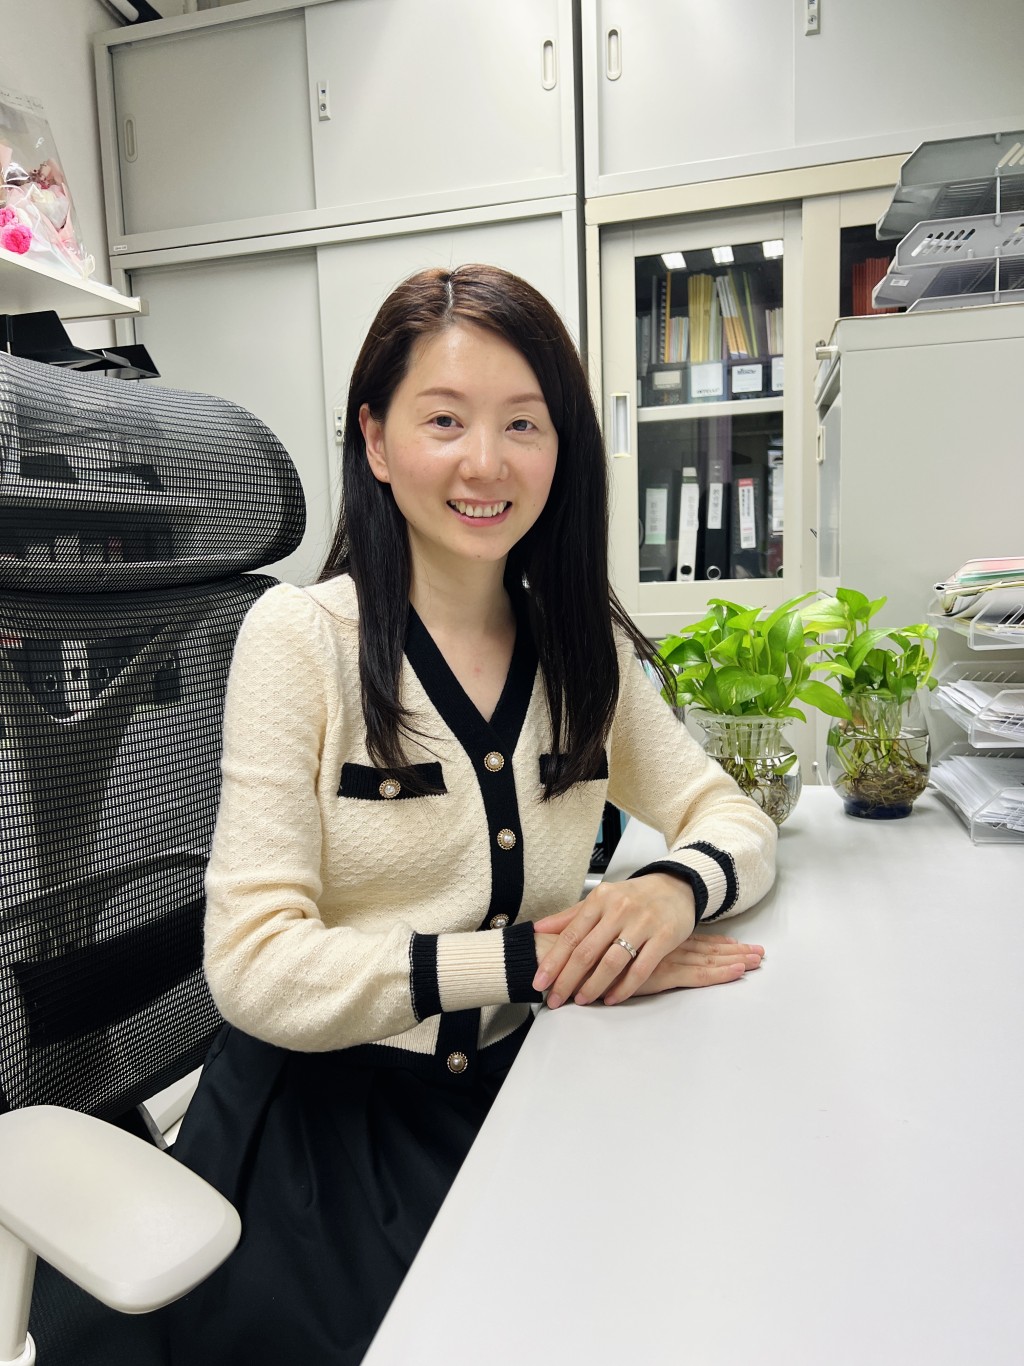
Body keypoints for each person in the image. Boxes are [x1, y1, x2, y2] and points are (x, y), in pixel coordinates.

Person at [167, 263, 777, 1363]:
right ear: (376, 438)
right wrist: (527, 959)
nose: (485, 463)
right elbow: (252, 964)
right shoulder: (299, 642)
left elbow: (728, 814)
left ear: (564, 445)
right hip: (322, 1135)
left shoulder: (575, 643)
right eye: (442, 420)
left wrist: (668, 888)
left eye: (522, 423)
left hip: (517, 1087)